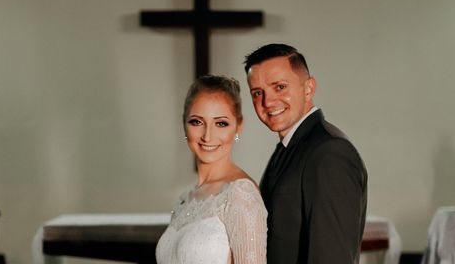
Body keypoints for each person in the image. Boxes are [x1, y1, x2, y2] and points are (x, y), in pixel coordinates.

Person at [245, 43, 367, 264]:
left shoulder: (330, 152)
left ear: (309, 88)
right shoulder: (291, 146)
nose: (268, 102)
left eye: (279, 87)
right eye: (257, 93)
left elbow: (332, 258)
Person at [155, 75, 267, 264]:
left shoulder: (240, 193)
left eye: (221, 123)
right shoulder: (184, 200)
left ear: (238, 127)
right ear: (184, 125)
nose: (208, 136)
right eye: (197, 122)